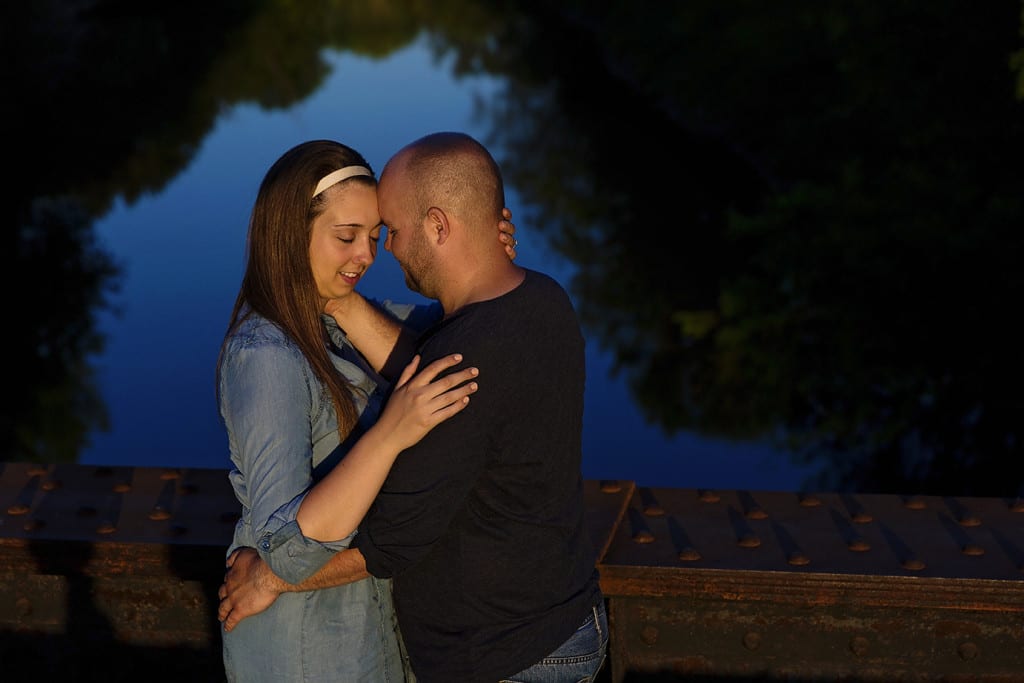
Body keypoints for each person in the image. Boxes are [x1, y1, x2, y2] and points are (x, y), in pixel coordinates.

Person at [219, 132, 607, 683]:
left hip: (493, 652)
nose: (376, 254)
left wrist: (271, 579)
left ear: (439, 225)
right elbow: (432, 352)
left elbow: (393, 537)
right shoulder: (543, 298)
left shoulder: (465, 345)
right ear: (292, 235)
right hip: (314, 646)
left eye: (383, 233)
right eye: (349, 235)